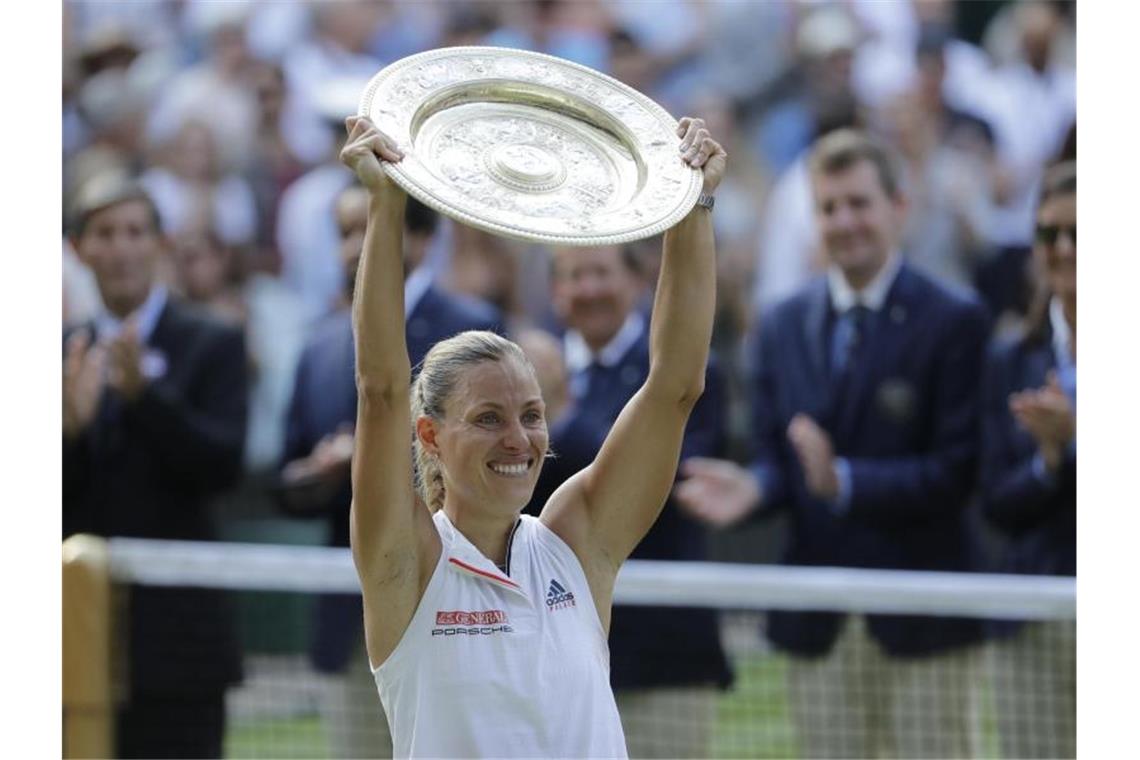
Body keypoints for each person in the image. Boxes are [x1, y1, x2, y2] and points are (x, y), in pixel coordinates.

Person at [338, 113, 723, 758]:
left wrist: (693, 204)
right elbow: (380, 391)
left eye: (532, 415)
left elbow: (676, 385)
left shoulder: (576, 537)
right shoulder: (408, 560)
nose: (519, 440)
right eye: (488, 419)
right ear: (429, 435)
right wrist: (386, 205)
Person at [676, 128, 990, 759]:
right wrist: (756, 486)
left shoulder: (955, 320)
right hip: (818, 621)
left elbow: (958, 472)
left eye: (858, 203)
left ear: (898, 208)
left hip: (922, 622)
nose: (844, 221)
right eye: (829, 207)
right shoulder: (783, 325)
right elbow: (775, 457)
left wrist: (844, 481)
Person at [280, 185, 500, 758]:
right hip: (353, 618)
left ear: (423, 239)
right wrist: (322, 473)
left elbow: (493, 461)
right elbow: (286, 480)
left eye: (373, 226)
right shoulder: (320, 347)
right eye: (346, 232)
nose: (356, 246)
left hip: (456, 603)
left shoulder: (472, 333)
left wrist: (378, 457)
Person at [62, 172, 247, 759]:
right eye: (105, 233)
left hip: (178, 648)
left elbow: (221, 467)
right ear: (79, 249)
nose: (120, 248)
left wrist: (147, 399)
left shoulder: (211, 342)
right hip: (75, 636)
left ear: (159, 244)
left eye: (135, 232)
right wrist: (70, 434)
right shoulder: (60, 351)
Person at [527, 241, 732, 757]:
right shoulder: (524, 374)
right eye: (574, 277)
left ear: (639, 281)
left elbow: (652, 481)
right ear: (555, 292)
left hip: (662, 653)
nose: (588, 290)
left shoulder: (683, 372)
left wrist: (564, 418)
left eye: (601, 272)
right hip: (553, 650)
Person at [979, 161, 1076, 759]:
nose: (1062, 249)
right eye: (1047, 234)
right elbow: (994, 502)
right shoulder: (1009, 359)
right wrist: (1049, 457)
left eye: (1080, 232)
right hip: (1032, 619)